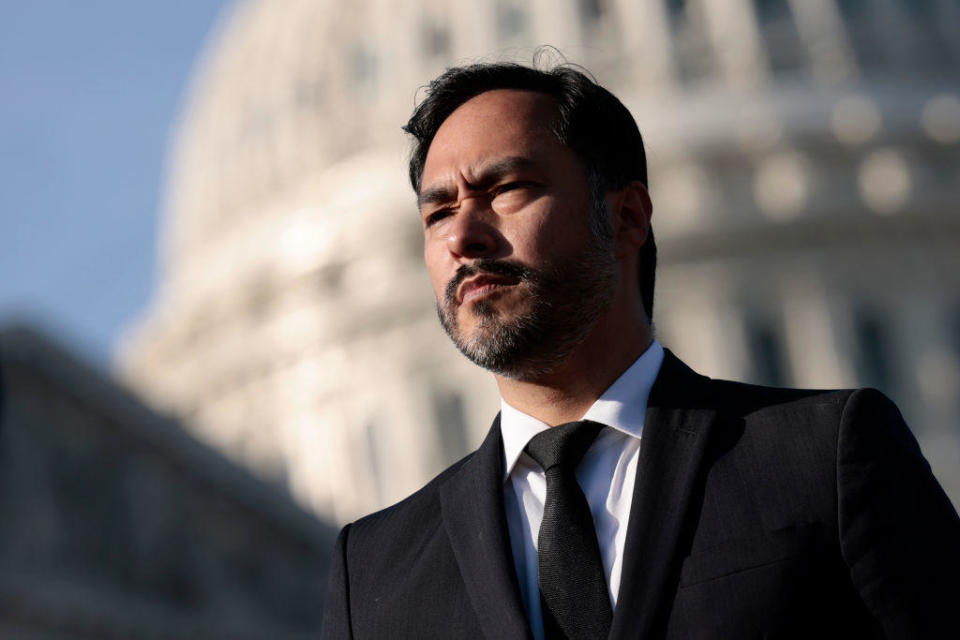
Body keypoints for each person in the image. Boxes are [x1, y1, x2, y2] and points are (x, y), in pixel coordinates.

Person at [320, 61, 960, 639]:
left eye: (506, 188)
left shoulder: (822, 460)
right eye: (437, 214)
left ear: (627, 217)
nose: (462, 235)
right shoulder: (374, 574)